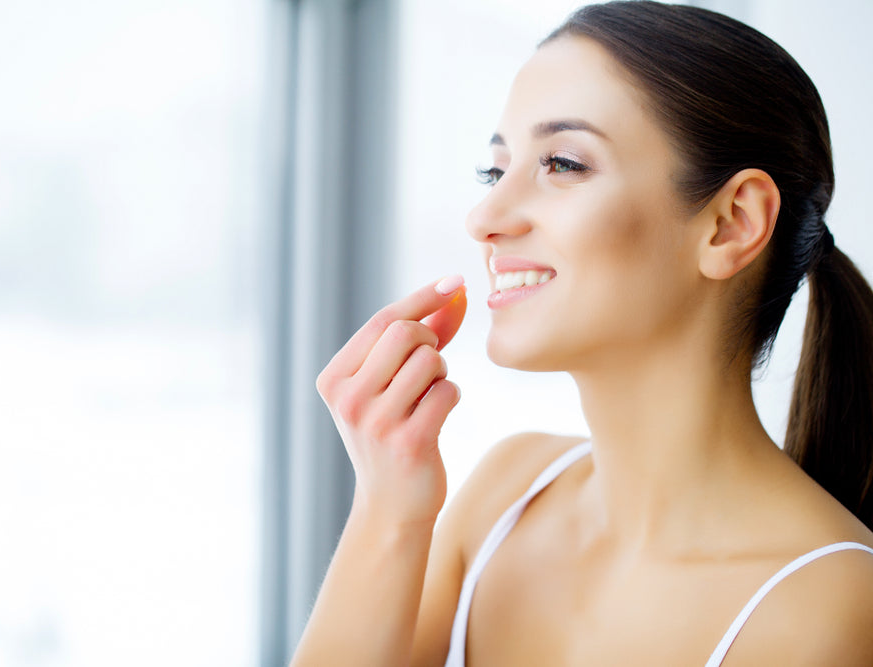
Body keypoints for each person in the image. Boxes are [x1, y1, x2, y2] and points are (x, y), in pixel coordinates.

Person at [291, 2, 873, 664]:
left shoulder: (828, 607)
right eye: (495, 169)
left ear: (731, 223)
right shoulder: (502, 497)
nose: (485, 216)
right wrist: (387, 509)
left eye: (562, 163)